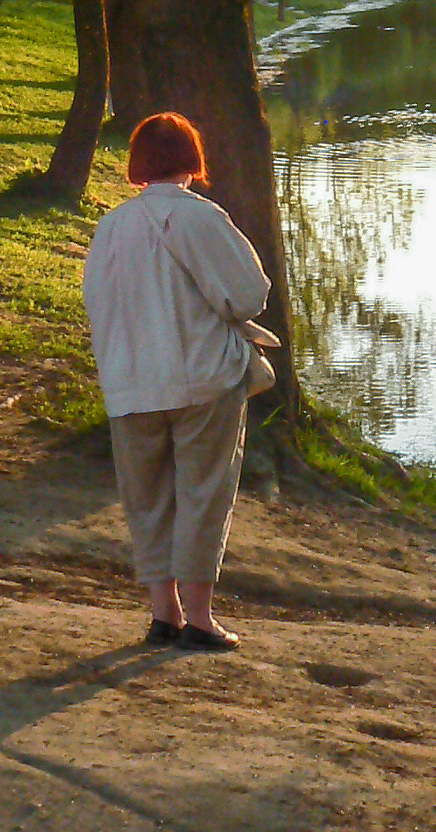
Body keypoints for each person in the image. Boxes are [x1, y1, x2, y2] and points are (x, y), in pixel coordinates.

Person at [83, 110, 271, 652]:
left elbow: (98, 300)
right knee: (203, 494)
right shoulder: (201, 218)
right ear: (191, 159)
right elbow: (248, 294)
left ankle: (163, 614)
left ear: (139, 164)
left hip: (129, 383)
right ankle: (202, 619)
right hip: (200, 380)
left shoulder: (111, 225)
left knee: (146, 499)